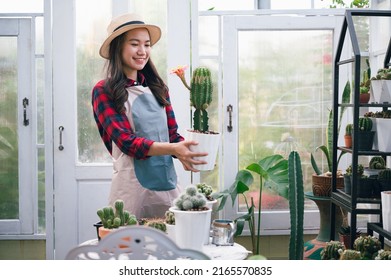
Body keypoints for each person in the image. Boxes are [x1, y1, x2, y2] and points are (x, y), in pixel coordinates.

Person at [92, 13, 208, 219]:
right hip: (131, 192)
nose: (142, 51)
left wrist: (189, 151)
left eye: (147, 45)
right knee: (130, 248)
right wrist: (174, 149)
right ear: (117, 47)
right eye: (135, 44)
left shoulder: (158, 88)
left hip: (168, 187)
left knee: (173, 246)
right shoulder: (104, 91)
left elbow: (172, 136)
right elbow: (127, 142)